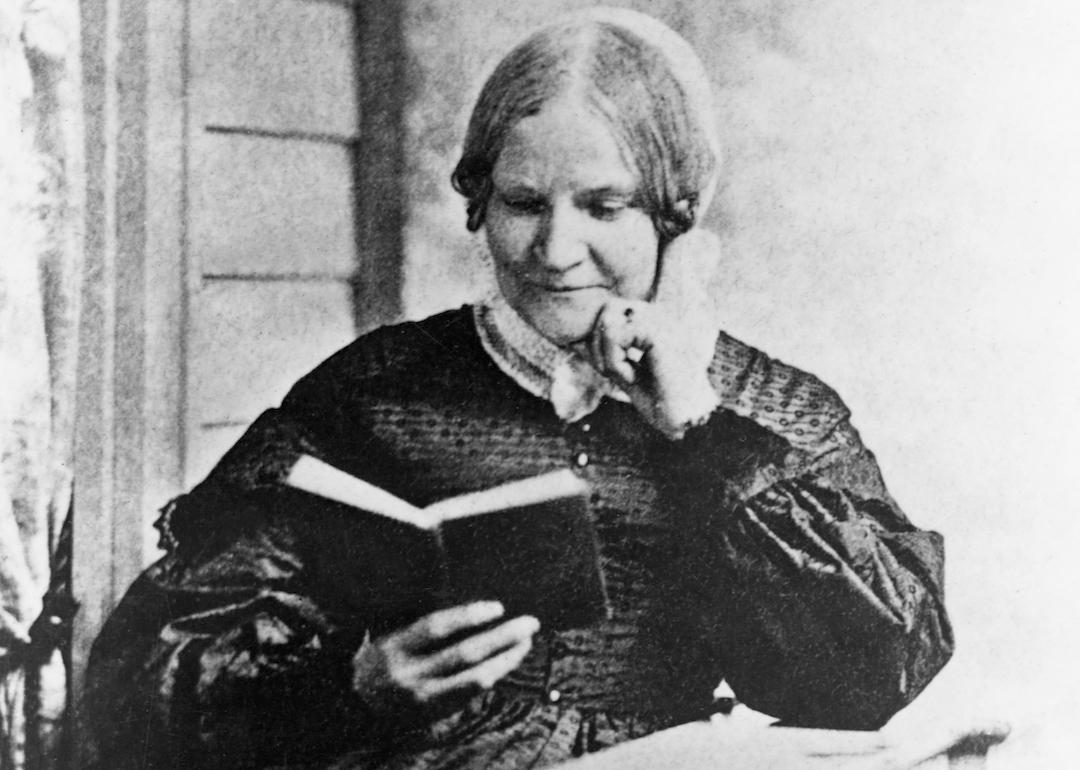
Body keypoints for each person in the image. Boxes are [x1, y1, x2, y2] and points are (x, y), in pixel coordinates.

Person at [82, 8, 953, 769]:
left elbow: (873, 677)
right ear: (481, 203)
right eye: (524, 203)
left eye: (605, 207)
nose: (556, 250)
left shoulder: (772, 410)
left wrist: (699, 426)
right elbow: (137, 686)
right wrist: (348, 685)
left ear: (675, 213)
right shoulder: (376, 393)